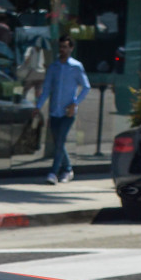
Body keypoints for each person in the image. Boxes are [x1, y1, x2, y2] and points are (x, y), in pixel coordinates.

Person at [36, 33, 89, 184]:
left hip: (68, 112)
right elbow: (46, 88)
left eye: (65, 47)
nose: (62, 50)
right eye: (61, 47)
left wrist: (75, 103)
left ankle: (53, 173)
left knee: (60, 141)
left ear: (71, 48)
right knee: (58, 142)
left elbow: (86, 87)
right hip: (54, 111)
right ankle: (67, 169)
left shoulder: (76, 67)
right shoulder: (54, 67)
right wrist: (38, 106)